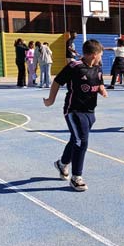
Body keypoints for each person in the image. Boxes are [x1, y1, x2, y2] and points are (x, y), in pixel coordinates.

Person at [43, 39, 108, 191]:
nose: (101, 57)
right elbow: (57, 81)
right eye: (100, 54)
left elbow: (99, 82)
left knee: (76, 139)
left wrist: (102, 90)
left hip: (90, 111)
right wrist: (51, 100)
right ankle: (76, 177)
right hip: (74, 111)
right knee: (82, 141)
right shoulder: (74, 66)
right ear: (94, 54)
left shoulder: (98, 67)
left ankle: (62, 164)